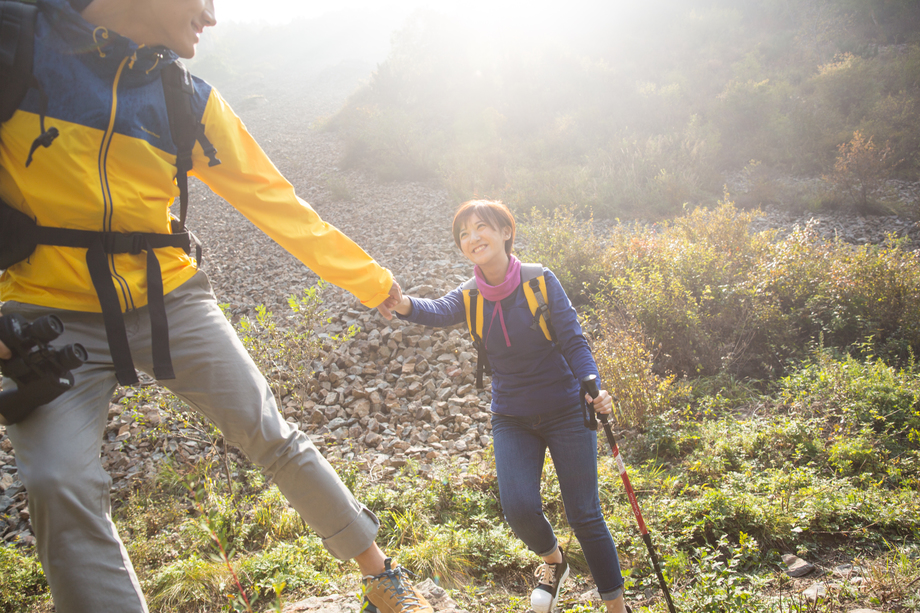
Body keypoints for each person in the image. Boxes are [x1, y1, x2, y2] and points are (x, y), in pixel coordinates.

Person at [0, 0, 432, 611]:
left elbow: (278, 204)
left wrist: (369, 280)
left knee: (268, 432)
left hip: (168, 299)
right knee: (55, 482)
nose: (211, 15)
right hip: (41, 314)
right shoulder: (17, 46)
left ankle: (383, 577)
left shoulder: (187, 99)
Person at [392, 200, 631, 613]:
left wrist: (593, 386)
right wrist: (402, 305)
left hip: (565, 408)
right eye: (463, 233)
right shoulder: (469, 296)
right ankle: (554, 563)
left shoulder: (540, 280)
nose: (472, 238)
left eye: (481, 227)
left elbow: (574, 340)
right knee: (518, 509)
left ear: (505, 232)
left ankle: (616, 607)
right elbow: (435, 310)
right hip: (511, 416)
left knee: (585, 515)